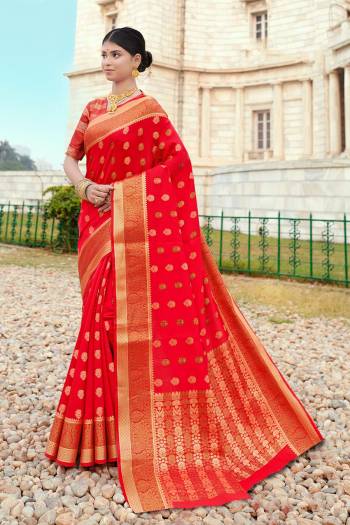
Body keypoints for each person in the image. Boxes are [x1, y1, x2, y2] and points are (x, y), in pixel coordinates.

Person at [44, 26, 325, 513]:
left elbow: (176, 169)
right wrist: (82, 186)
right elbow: (70, 158)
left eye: (116, 54)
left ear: (136, 61)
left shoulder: (150, 113)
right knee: (98, 320)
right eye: (103, 54)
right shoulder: (91, 110)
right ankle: (102, 433)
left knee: (122, 321)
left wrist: (128, 196)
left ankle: (135, 433)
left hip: (135, 231)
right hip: (96, 226)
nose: (106, 61)